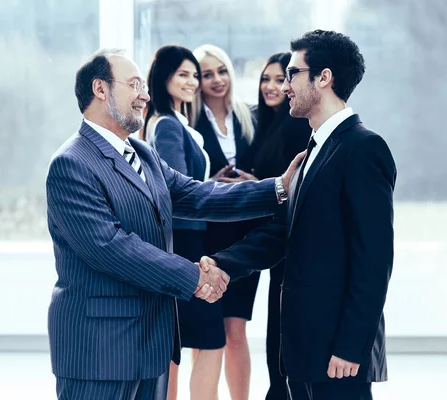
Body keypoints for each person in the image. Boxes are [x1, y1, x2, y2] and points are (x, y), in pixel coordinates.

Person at [46, 48, 303, 400]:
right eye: (135, 84)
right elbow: (113, 248)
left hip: (152, 345)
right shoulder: (71, 163)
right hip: (100, 351)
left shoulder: (144, 155)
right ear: (100, 89)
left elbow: (199, 196)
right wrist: (195, 277)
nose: (145, 94)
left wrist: (278, 188)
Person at [201, 30, 397, 400]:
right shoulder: (314, 150)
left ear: (323, 78)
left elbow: (374, 260)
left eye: (292, 73)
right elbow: (283, 233)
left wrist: (352, 346)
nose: (285, 84)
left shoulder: (364, 148)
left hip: (338, 355)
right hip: (303, 349)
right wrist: (224, 263)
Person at [141, 45, 231, 400]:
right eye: (183, 74)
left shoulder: (177, 122)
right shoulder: (166, 125)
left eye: (195, 74)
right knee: (208, 339)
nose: (193, 81)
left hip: (189, 240)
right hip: (184, 243)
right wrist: (218, 193)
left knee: (184, 342)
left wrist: (213, 183)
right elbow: (176, 192)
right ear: (164, 78)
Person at [221, 52, 311, 400]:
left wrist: (258, 183)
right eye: (266, 79)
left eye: (281, 79)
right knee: (275, 332)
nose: (273, 86)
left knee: (282, 331)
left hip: (282, 239)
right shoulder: (258, 122)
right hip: (261, 237)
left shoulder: (297, 125)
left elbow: (294, 185)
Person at [192, 44, 259, 400]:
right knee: (208, 334)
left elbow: (268, 169)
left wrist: (253, 182)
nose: (216, 79)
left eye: (221, 71)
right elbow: (183, 179)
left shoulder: (251, 117)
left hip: (245, 238)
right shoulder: (190, 123)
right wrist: (209, 184)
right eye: (207, 74)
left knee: (236, 332)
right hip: (207, 239)